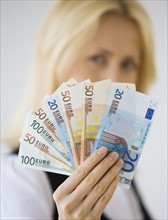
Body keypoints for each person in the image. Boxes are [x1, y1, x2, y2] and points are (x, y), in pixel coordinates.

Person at [2, 0, 155, 219]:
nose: (115, 81)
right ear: (56, 61)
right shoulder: (19, 177)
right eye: (98, 58)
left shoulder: (119, 171)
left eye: (128, 63)